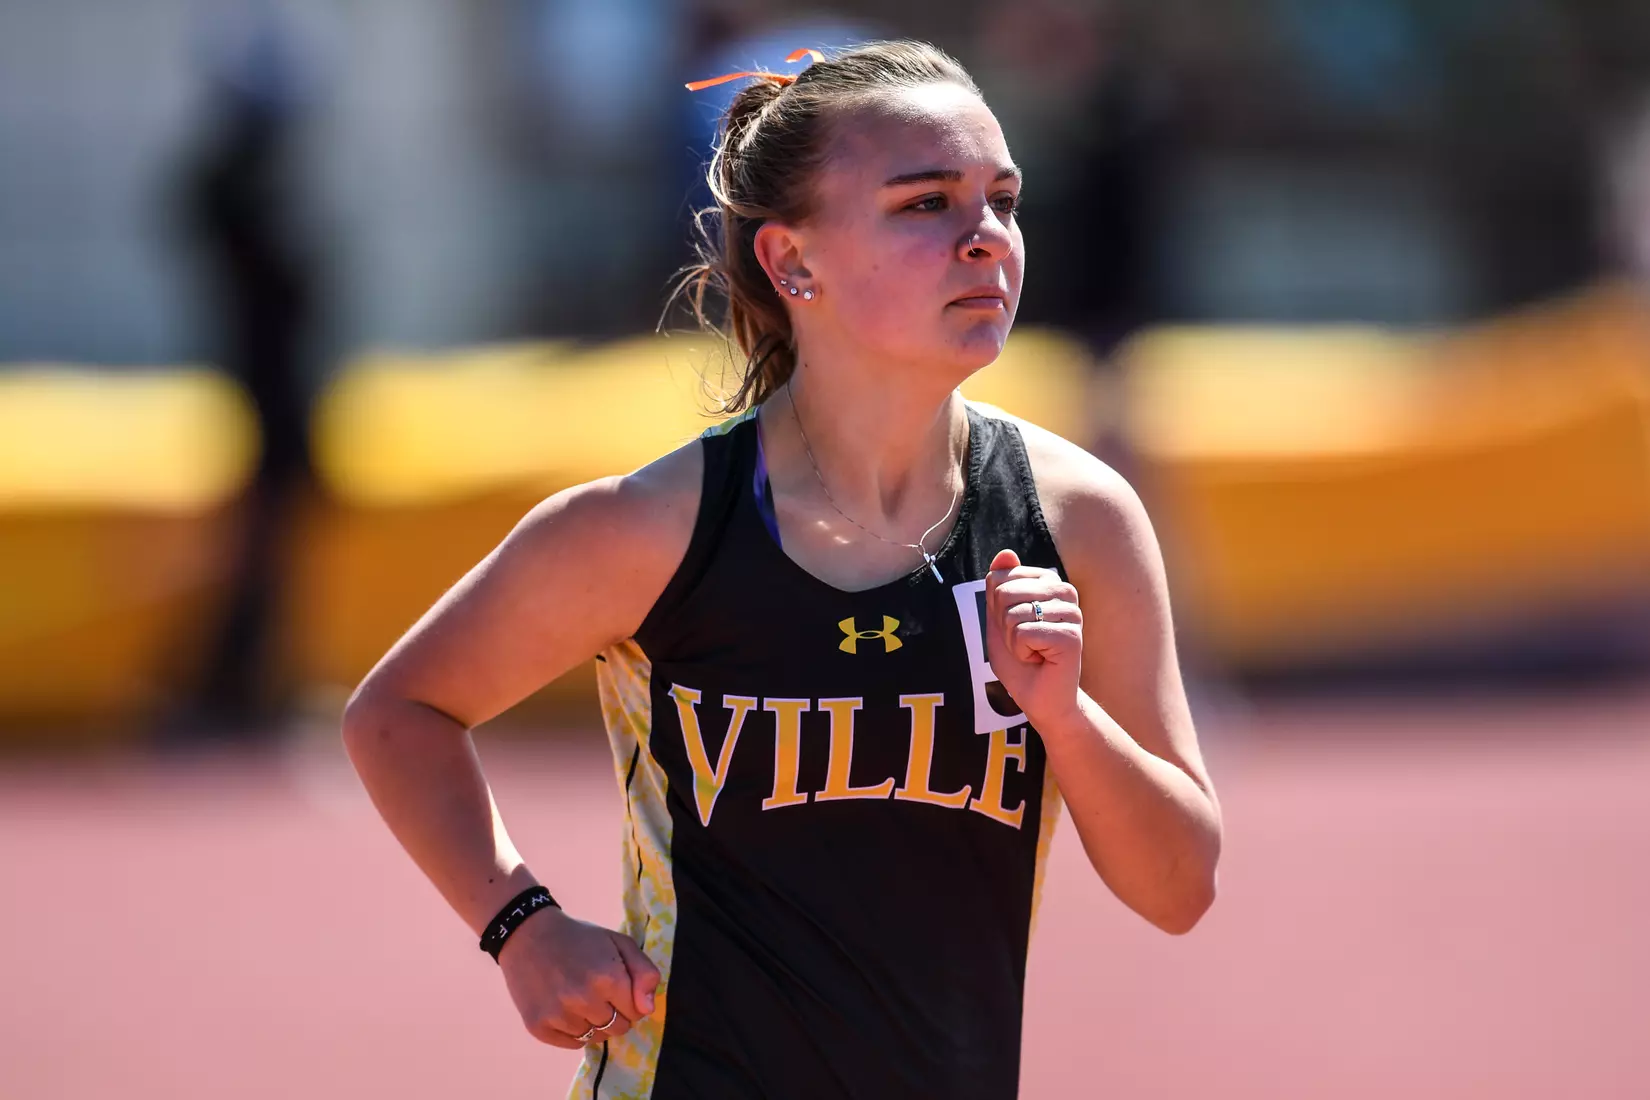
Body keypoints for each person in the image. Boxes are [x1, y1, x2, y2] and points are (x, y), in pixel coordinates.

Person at [342, 40, 1221, 1100]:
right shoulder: (658, 528)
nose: (986, 238)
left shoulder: (1073, 521)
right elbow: (398, 711)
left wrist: (1069, 719)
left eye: (1003, 198)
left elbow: (1180, 888)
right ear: (791, 262)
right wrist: (519, 923)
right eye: (924, 203)